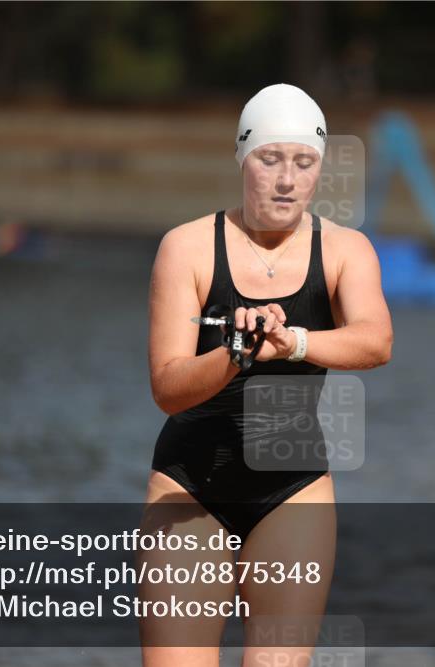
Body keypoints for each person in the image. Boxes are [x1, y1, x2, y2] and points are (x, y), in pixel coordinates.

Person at [142, 83, 393, 667]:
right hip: (190, 488)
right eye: (269, 159)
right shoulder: (187, 249)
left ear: (320, 168)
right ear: (241, 158)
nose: (286, 179)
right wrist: (236, 351)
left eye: (304, 162)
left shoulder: (345, 251)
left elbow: (376, 341)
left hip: (293, 492)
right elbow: (166, 387)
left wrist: (293, 343)